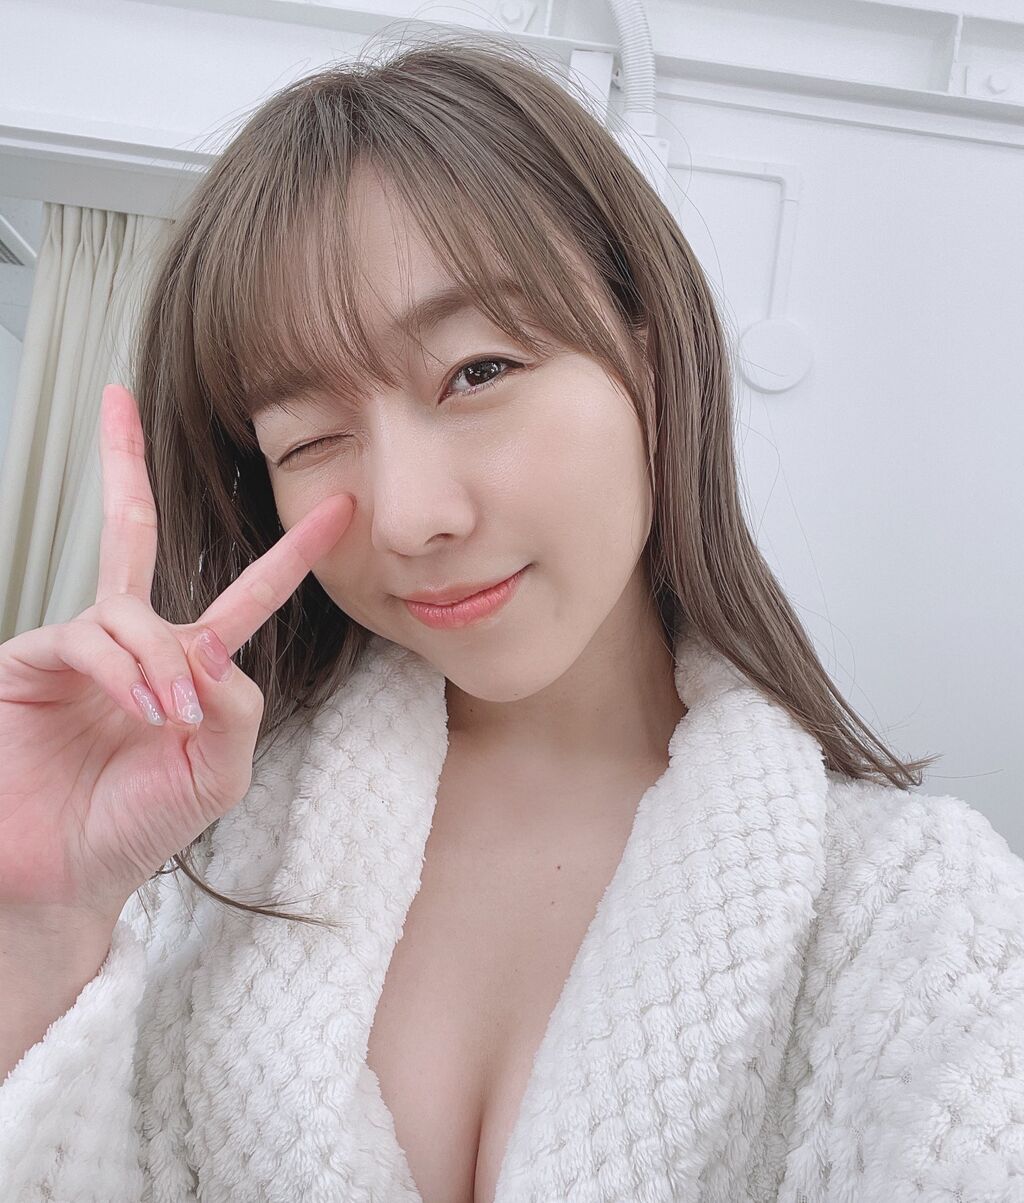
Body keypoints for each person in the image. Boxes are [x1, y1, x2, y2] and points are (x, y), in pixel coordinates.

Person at [1, 29, 1022, 1203]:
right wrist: (39, 920)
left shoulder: (922, 915)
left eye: (477, 372)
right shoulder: (188, 873)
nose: (409, 517)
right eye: (311, 438)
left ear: (648, 358)